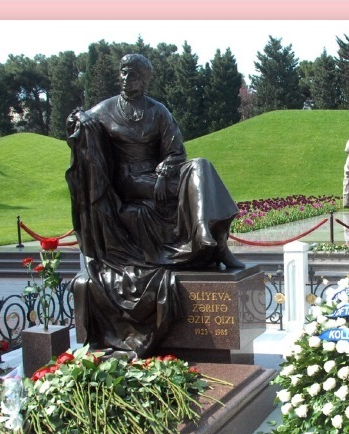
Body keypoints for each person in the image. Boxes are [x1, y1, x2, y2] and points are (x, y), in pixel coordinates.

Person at [65, 53, 244, 357]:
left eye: (133, 74)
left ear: (145, 79)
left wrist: (164, 170)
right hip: (128, 181)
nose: (126, 78)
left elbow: (177, 152)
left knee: (200, 165)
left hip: (159, 177)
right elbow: (78, 123)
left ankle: (209, 236)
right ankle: (215, 244)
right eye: (123, 72)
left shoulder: (158, 111)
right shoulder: (105, 110)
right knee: (189, 182)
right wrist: (78, 120)